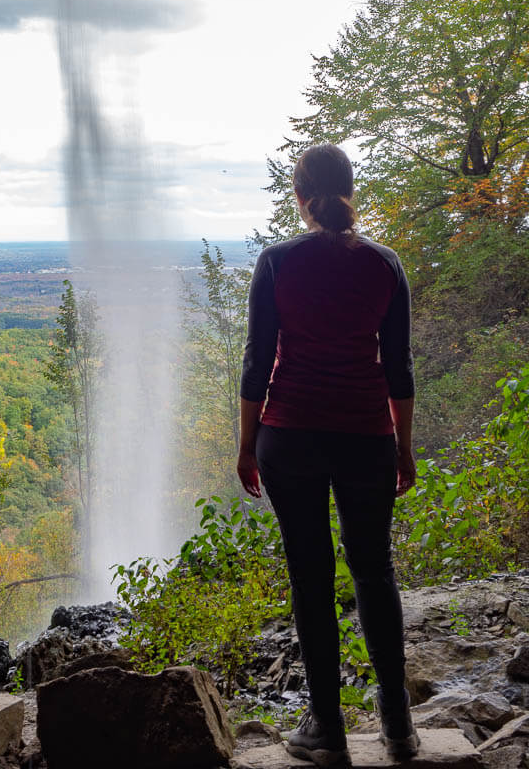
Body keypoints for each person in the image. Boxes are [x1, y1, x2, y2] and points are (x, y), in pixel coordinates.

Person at [237, 143, 419, 767]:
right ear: (350, 189)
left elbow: (257, 364)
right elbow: (398, 365)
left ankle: (328, 731)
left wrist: (245, 447)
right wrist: (404, 445)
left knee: (310, 576)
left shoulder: (277, 262)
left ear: (299, 196)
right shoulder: (385, 264)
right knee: (374, 569)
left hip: (289, 436)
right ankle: (398, 726)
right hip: (367, 435)